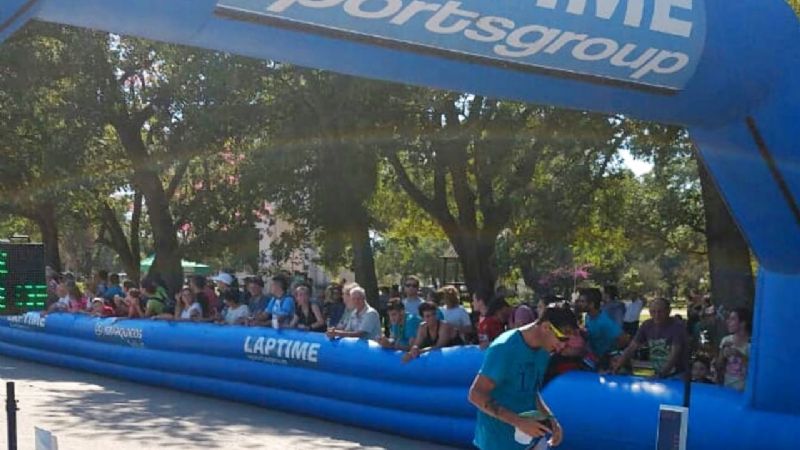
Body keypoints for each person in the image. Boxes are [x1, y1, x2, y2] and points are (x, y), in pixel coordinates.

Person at [468, 307, 572, 450]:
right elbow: (476, 394)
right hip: (498, 442)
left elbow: (530, 390)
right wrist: (519, 422)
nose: (562, 347)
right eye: (561, 339)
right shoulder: (504, 347)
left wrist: (551, 419)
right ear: (546, 327)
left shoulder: (544, 350)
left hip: (529, 439)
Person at [611, 298, 689, 378]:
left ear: (669, 311)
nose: (656, 315)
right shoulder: (647, 325)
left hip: (678, 374)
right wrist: (617, 367)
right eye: (653, 312)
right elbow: (632, 347)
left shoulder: (677, 327)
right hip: (659, 372)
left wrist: (660, 375)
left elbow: (675, 354)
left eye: (660, 311)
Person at [576, 288, 625, 369]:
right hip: (594, 358)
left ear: (591, 304)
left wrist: (611, 353)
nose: (579, 304)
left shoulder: (604, 321)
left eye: (582, 301)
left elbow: (623, 338)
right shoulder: (588, 316)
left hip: (606, 361)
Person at [714, 308, 751, 391]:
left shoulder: (751, 344)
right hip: (727, 389)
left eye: (732, 319)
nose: (728, 322)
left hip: (745, 391)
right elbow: (718, 366)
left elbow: (755, 368)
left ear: (742, 323)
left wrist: (739, 355)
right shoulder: (726, 340)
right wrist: (722, 355)